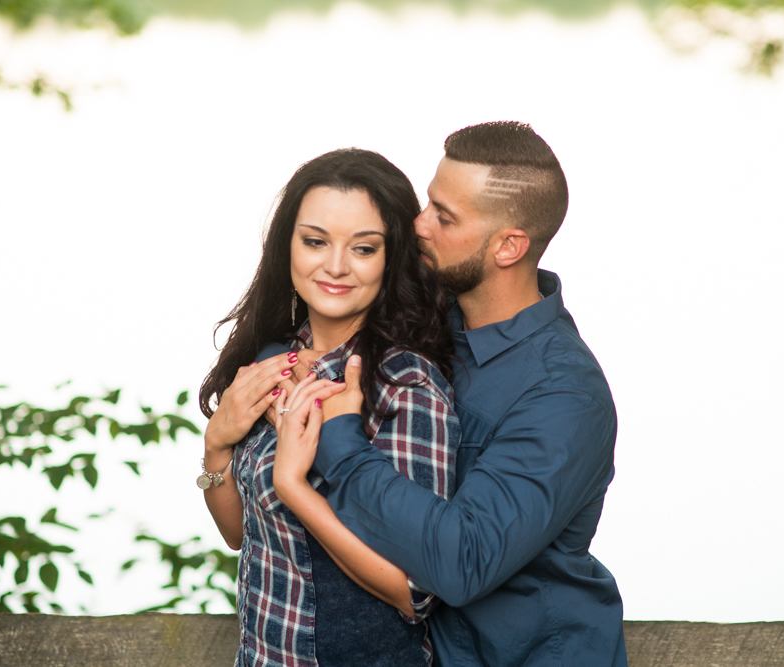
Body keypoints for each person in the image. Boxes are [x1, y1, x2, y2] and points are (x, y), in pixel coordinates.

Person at [279, 122, 627, 667]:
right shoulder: (428, 324)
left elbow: (463, 562)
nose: (417, 225)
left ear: (508, 246)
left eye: (444, 216)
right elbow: (320, 319)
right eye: (428, 203)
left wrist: (338, 441)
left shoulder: (563, 395)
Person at [197, 148, 460, 667]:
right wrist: (216, 447)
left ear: (391, 257)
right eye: (315, 241)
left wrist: (295, 488)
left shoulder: (402, 383)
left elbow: (416, 589)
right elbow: (239, 535)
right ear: (286, 246)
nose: (335, 266)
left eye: (363, 248)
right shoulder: (276, 359)